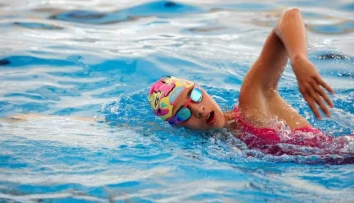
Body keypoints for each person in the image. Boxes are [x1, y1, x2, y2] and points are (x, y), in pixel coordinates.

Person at [148, 8, 353, 156]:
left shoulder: (251, 102)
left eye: (194, 96)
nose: (198, 111)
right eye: (183, 113)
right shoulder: (223, 149)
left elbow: (289, 16)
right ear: (177, 127)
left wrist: (298, 59)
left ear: (203, 89)